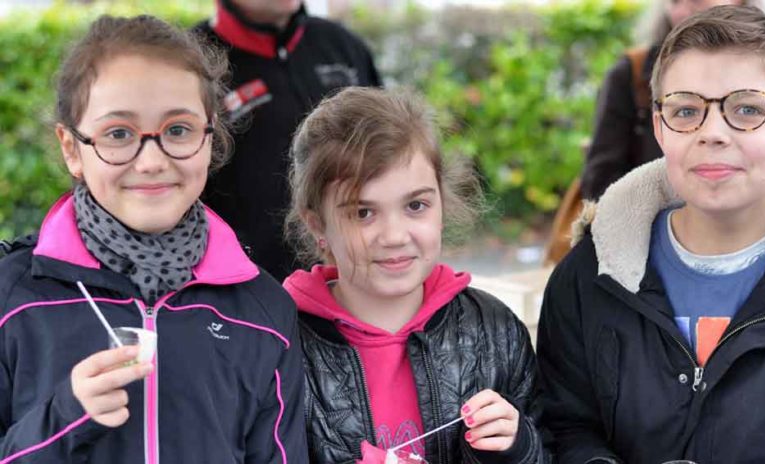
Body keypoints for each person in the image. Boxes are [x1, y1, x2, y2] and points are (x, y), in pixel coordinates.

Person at [537, 5, 765, 463]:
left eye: (747, 109)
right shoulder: (588, 278)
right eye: (686, 110)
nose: (712, 132)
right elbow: (566, 424)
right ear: (660, 129)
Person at [0, 15, 307, 463]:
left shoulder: (264, 310)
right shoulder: (12, 297)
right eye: (119, 134)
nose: (150, 161)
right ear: (72, 149)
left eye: (177, 130)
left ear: (209, 136)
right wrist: (63, 417)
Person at [282, 87, 547, 463]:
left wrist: (518, 448)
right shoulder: (280, 346)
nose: (394, 236)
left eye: (415, 205)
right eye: (363, 213)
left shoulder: (494, 332)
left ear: (442, 203)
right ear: (317, 225)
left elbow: (548, 449)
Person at [195, 0, 381, 282]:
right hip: (246, 289)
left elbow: (387, 153)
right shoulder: (191, 62)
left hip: (352, 278)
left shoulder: (343, 45)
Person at [578, 0, 765, 200]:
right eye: (686, 111)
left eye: (748, 109)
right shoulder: (630, 74)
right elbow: (600, 179)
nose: (684, 9)